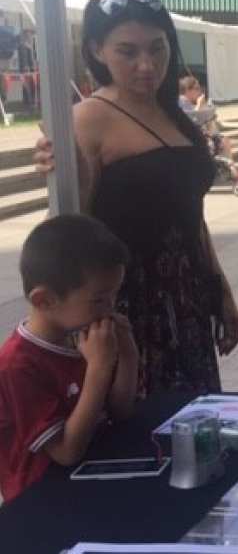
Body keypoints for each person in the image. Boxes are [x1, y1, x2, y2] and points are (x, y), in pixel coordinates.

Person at [32, 0, 238, 394]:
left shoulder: (175, 115)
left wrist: (221, 290)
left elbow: (191, 216)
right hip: (126, 305)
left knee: (192, 421)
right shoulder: (88, 119)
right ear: (97, 50)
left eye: (157, 48)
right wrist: (63, 168)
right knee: (140, 429)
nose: (146, 65)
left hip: (188, 300)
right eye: (127, 52)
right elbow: (71, 225)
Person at [0, 215, 137, 503]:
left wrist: (127, 354)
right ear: (44, 300)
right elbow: (65, 451)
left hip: (91, 478)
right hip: (43, 500)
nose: (110, 307)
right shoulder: (17, 365)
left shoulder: (80, 335)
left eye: (114, 295)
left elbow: (120, 410)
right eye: (99, 299)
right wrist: (98, 369)